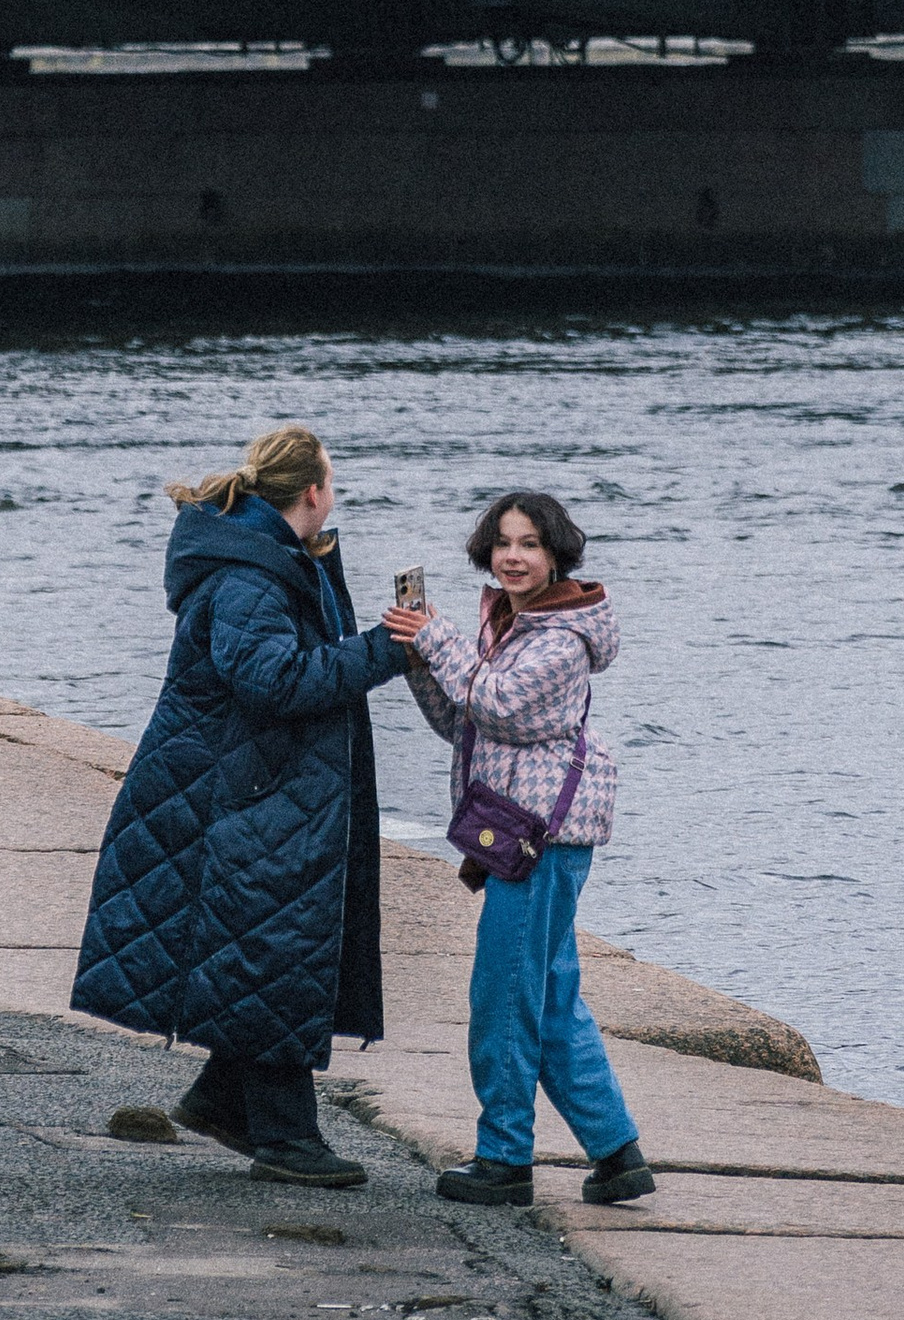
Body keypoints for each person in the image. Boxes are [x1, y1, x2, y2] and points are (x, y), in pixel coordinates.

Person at [72, 420, 410, 1189]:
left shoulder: (269, 557)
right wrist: (385, 652)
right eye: (333, 483)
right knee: (275, 947)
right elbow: (275, 681)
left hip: (248, 788)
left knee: (264, 947)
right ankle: (287, 1140)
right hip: (242, 795)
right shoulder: (253, 574)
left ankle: (223, 1098)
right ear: (313, 491)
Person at [399, 487, 656, 1211]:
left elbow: (503, 704)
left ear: (556, 555)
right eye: (504, 543)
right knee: (550, 998)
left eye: (530, 545)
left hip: (537, 837)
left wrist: (437, 638)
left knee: (504, 1000)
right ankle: (616, 1151)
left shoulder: (559, 638)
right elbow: (464, 719)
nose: (513, 556)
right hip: (527, 830)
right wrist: (419, 656)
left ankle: (504, 1159)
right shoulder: (514, 623)